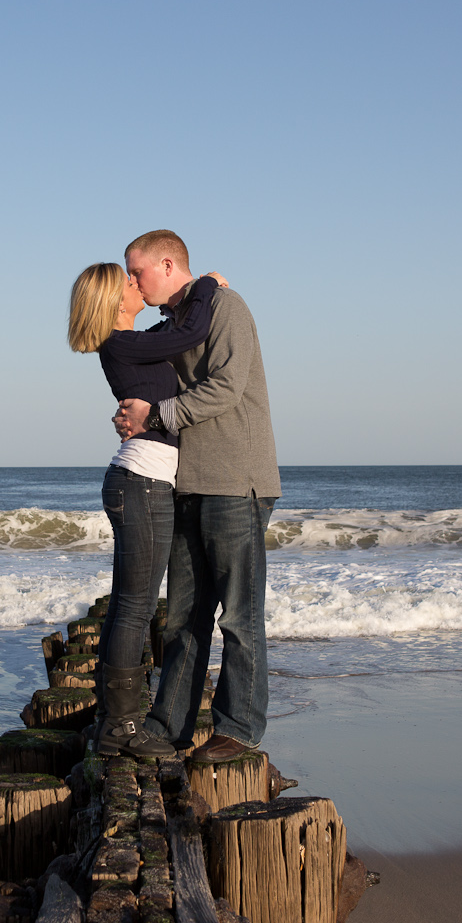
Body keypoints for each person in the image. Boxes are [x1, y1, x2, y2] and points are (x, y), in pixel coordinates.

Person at [112, 230, 280, 763]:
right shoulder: (177, 324)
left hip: (236, 480)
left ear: (167, 264)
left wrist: (155, 415)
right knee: (184, 614)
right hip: (187, 482)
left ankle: (240, 728)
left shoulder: (227, 307)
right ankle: (168, 726)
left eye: (137, 272)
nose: (132, 282)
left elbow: (227, 387)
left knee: (239, 614)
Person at [67, 261, 225, 756]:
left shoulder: (132, 342)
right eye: (129, 282)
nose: (138, 286)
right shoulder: (122, 343)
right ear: (115, 300)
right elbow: (192, 330)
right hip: (144, 483)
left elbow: (173, 331)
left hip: (139, 481)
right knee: (134, 607)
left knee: (127, 605)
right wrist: (204, 286)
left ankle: (114, 720)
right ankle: (122, 729)